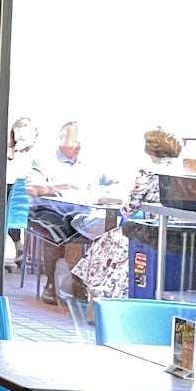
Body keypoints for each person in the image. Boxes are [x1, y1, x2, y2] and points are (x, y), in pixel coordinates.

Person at [73, 127, 181, 301]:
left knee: (104, 243)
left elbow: (129, 210)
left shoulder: (148, 173)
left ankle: (102, 293)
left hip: (151, 234)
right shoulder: (181, 172)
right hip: (177, 233)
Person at [4, 116, 38, 270]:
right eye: (18, 132)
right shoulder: (8, 151)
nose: (21, 135)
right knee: (5, 206)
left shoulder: (36, 153)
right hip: (15, 195)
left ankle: (21, 248)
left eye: (24, 132)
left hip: (28, 197)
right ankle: (19, 248)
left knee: (5, 208)